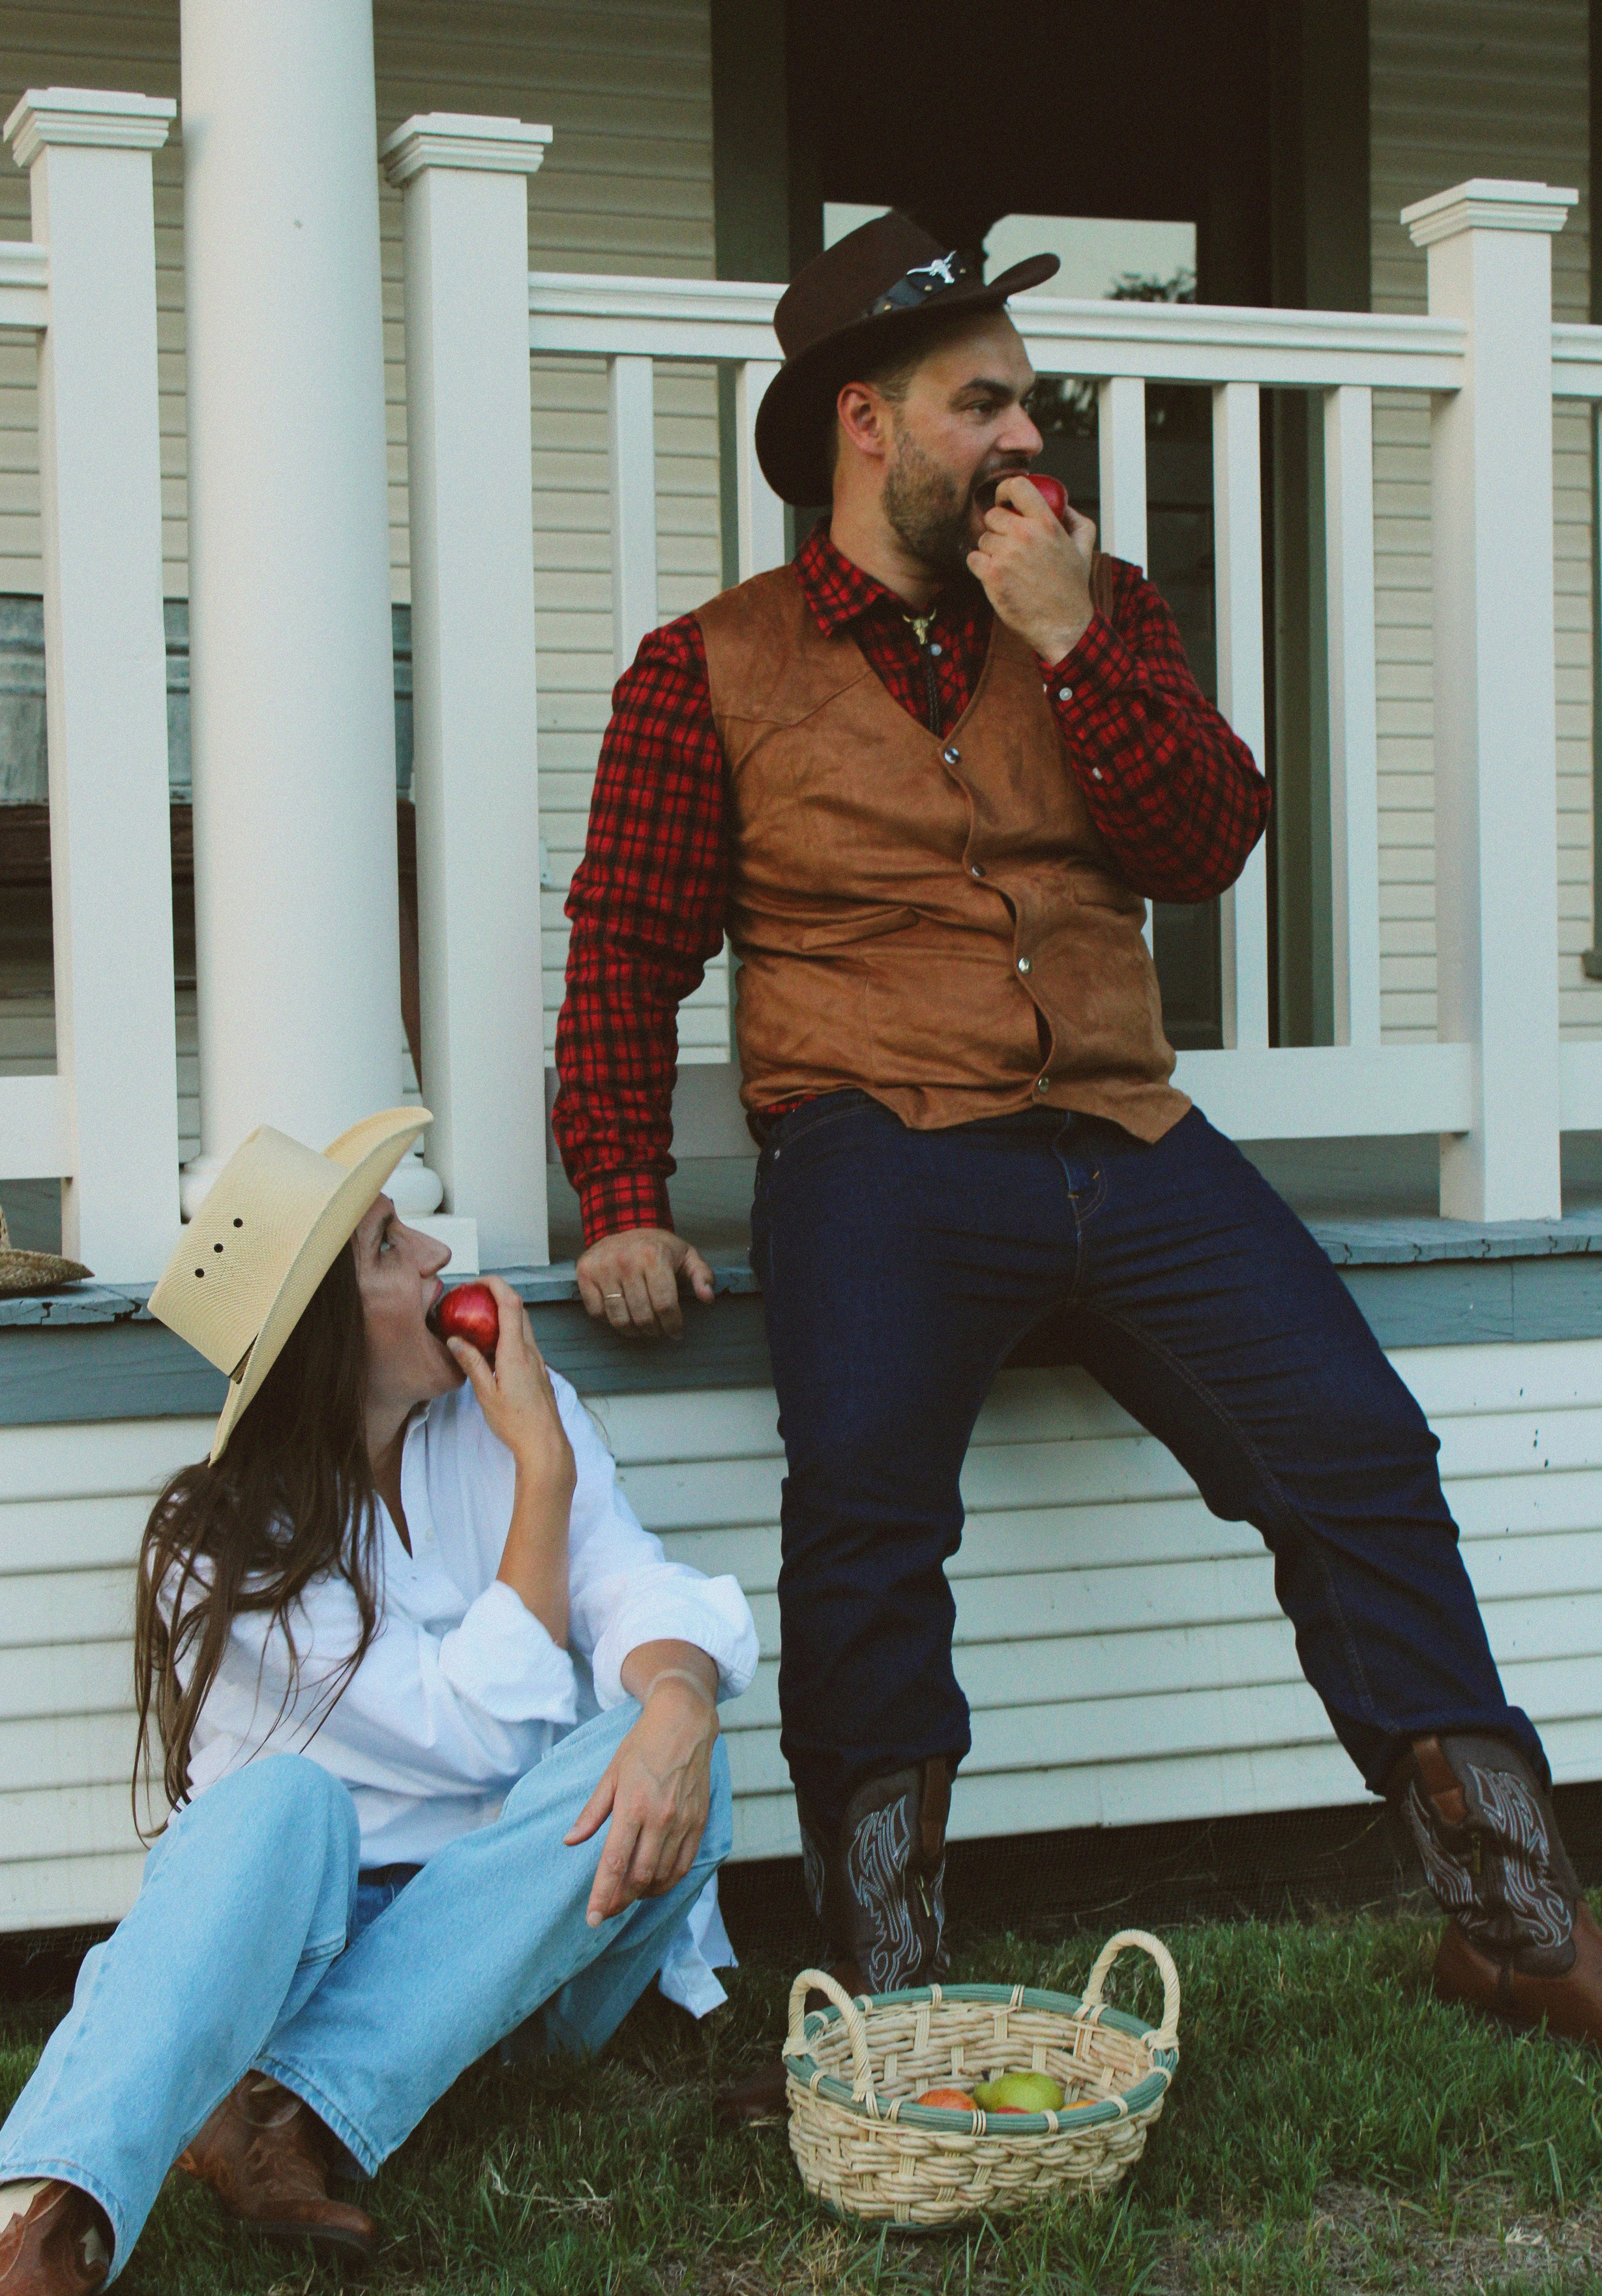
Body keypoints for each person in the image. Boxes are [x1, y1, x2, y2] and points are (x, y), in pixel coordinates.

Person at [552, 212, 1602, 2068]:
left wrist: (1081, 645)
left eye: (1031, 407)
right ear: (868, 426)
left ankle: (1516, 1921)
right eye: (989, 409)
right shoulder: (704, 666)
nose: (1032, 445)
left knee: (1356, 1445)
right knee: (866, 1511)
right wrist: (624, 1199)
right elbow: (629, 953)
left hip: (1126, 1130)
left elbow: (1203, 843)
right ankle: (891, 1988)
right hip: (880, 1144)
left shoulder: (1099, 616)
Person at [0, 1108, 757, 2296]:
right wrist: (538, 1473)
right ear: (328, 1330)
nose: (439, 1254)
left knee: (673, 1745)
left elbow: (632, 1589)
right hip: (306, 1954)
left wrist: (671, 1696)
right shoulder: (223, 1547)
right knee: (282, 1809)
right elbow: (483, 1731)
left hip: (523, 1946)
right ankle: (25, 2241)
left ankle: (285, 2109)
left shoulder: (506, 1423)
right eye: (389, 1246)